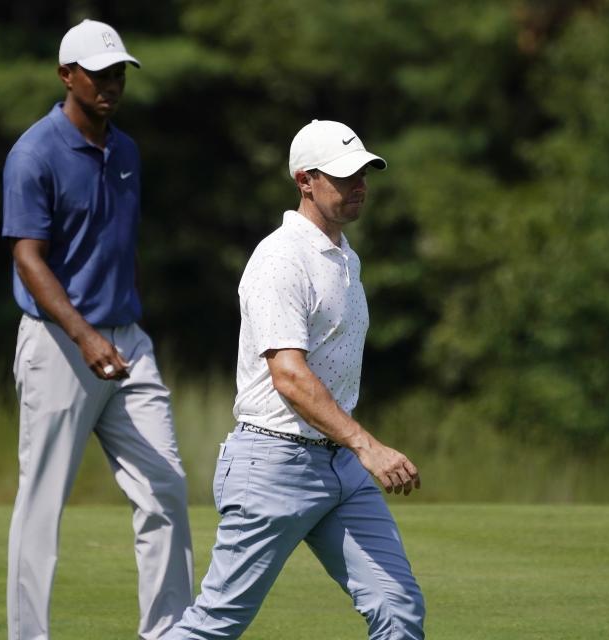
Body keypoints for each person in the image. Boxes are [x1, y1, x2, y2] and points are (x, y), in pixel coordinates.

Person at [165, 120, 425, 639]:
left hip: (339, 466)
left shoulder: (346, 257)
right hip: (273, 465)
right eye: (344, 175)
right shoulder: (280, 258)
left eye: (364, 174)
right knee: (217, 623)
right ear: (305, 180)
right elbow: (288, 374)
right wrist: (366, 446)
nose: (359, 186)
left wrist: (351, 449)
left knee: (398, 608)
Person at [1, 19, 193, 640]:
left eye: (118, 73)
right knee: (42, 505)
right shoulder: (34, 153)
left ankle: (168, 632)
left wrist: (125, 316)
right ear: (66, 75)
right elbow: (29, 258)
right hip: (61, 344)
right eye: (98, 73)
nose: (111, 84)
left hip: (127, 340)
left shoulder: (127, 151)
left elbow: (122, 242)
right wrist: (85, 335)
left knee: (165, 487)